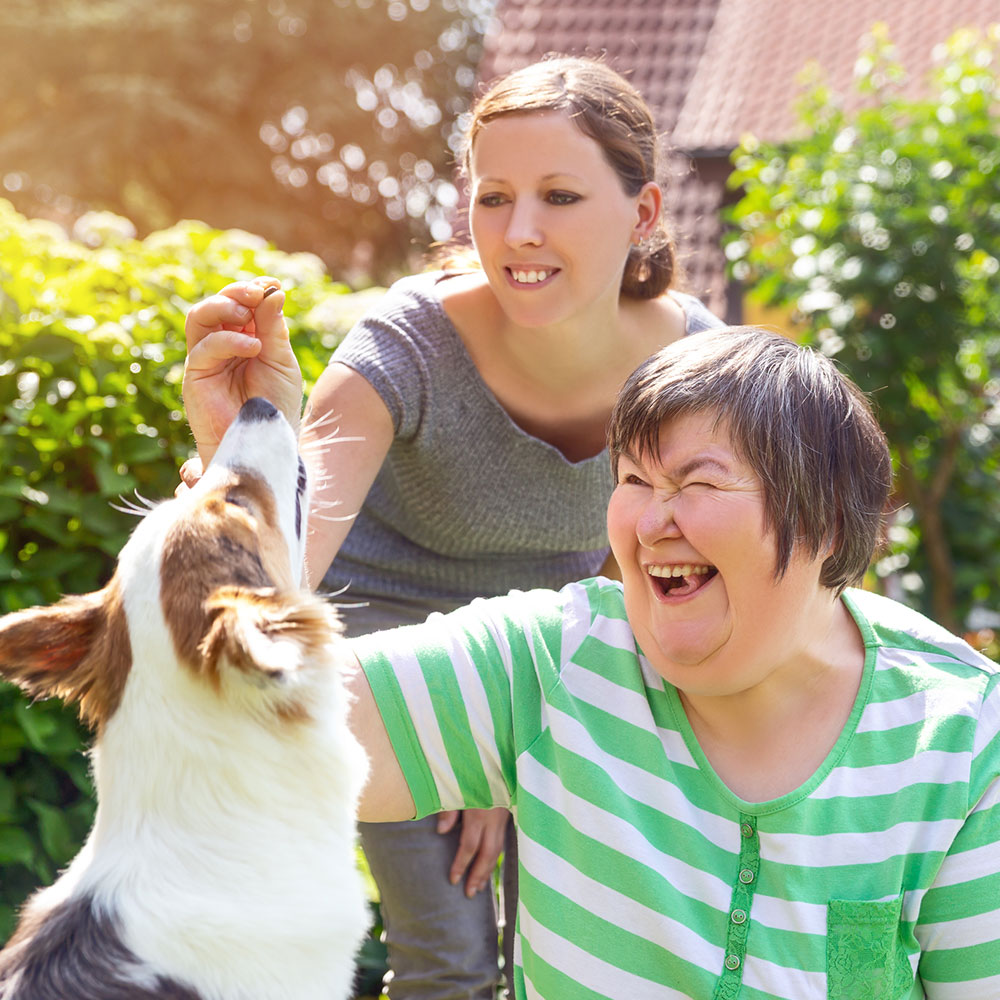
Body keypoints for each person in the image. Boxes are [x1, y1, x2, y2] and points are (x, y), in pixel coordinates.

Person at [181, 56, 723, 999]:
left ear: (642, 215)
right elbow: (286, 562)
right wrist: (244, 454)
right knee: (459, 962)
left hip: (565, 646)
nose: (519, 232)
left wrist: (523, 722)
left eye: (560, 196)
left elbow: (663, 558)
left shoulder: (693, 363)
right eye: (494, 196)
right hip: (380, 641)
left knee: (596, 958)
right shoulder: (406, 345)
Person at [346, 326, 1000, 1000]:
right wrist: (242, 472)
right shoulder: (556, 659)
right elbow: (278, 724)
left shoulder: (964, 739)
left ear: (824, 519)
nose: (651, 521)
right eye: (634, 479)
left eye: (699, 482)